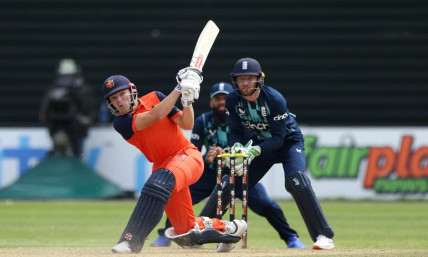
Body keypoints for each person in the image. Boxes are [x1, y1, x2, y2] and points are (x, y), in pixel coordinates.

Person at [102, 68, 247, 254]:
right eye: (114, 99)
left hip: (186, 156)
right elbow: (155, 116)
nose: (119, 101)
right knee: (186, 232)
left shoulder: (156, 97)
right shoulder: (121, 123)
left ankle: (130, 241)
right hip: (164, 169)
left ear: (132, 90)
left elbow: (187, 123)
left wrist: (187, 100)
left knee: (158, 181)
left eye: (122, 94)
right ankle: (230, 228)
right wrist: (180, 87)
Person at [150, 82, 306, 250]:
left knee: (266, 205)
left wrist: (233, 158)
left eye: (225, 98)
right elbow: (191, 150)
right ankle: (164, 235)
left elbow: (251, 145)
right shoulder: (203, 120)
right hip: (209, 173)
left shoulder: (245, 119)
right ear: (211, 103)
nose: (222, 102)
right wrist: (208, 158)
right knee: (181, 196)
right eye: (217, 99)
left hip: (238, 172)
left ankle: (291, 237)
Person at [217, 57, 335, 250]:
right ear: (235, 81)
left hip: (288, 143)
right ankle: (207, 230)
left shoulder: (274, 99)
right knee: (233, 181)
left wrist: (255, 150)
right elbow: (236, 132)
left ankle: (323, 236)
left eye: (249, 78)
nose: (245, 83)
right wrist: (237, 147)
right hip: (262, 143)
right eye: (241, 78)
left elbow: (279, 138)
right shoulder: (232, 100)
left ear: (259, 79)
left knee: (295, 180)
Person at [39, 59, 95, 157]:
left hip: (58, 128)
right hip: (75, 129)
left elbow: (44, 113)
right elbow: (88, 109)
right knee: (77, 157)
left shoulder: (54, 87)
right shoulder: (80, 87)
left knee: (58, 157)